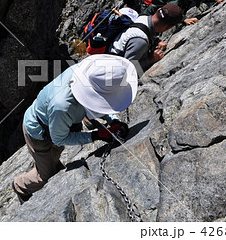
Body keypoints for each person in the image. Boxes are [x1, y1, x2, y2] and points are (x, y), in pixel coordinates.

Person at [12, 54, 138, 204]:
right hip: (39, 132)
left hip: (60, 121)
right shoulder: (62, 106)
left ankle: (51, 164)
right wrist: (96, 135)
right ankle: (20, 185)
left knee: (54, 160)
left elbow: (104, 97)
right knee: (46, 176)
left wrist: (113, 120)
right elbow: (59, 139)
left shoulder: (90, 72)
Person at [108, 3, 183, 72]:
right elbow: (126, 70)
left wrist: (156, 41)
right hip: (110, 72)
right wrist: (151, 60)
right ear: (168, 27)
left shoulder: (143, 17)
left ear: (158, 10)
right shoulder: (141, 40)